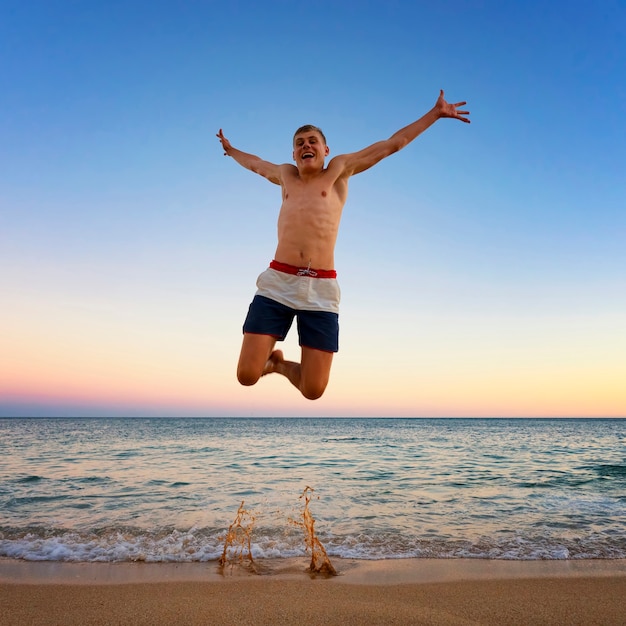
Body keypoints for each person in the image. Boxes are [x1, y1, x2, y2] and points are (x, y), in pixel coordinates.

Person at [217, 89, 470, 400]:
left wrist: (435, 114)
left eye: (312, 141)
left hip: (321, 289)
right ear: (294, 154)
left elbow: (392, 144)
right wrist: (231, 151)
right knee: (246, 376)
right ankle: (267, 362)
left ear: (325, 149)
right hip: (277, 284)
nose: (305, 146)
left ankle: (280, 366)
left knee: (313, 390)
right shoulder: (286, 175)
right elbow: (255, 164)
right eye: (299, 144)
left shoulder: (339, 170)